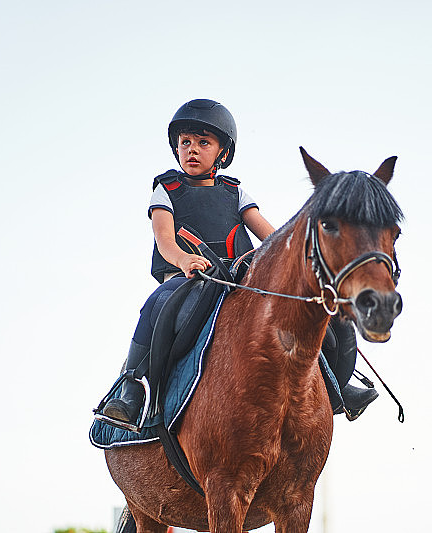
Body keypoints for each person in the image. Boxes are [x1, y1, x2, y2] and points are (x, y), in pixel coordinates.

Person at [99, 98, 377, 427]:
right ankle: (132, 388)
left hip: (241, 277)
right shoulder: (167, 190)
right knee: (156, 305)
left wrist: (295, 261)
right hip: (189, 276)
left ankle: (339, 385)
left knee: (315, 311)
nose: (192, 149)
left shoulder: (236, 192)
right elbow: (165, 240)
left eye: (203, 143)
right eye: (185, 142)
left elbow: (272, 238)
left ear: (223, 153)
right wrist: (185, 259)